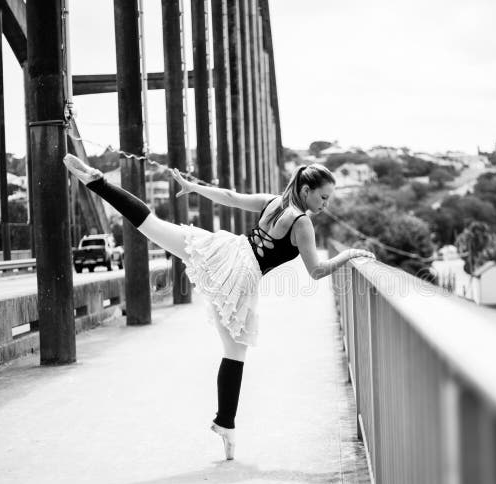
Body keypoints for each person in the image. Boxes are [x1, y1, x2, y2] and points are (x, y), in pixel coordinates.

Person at [63, 155, 374, 460]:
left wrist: (195, 188)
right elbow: (317, 271)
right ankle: (225, 422)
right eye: (323, 197)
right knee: (235, 353)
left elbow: (229, 196)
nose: (325, 205)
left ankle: (98, 182)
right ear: (306, 191)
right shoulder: (303, 223)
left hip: (227, 250)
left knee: (154, 227)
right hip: (241, 274)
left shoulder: (273, 201)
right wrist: (351, 253)